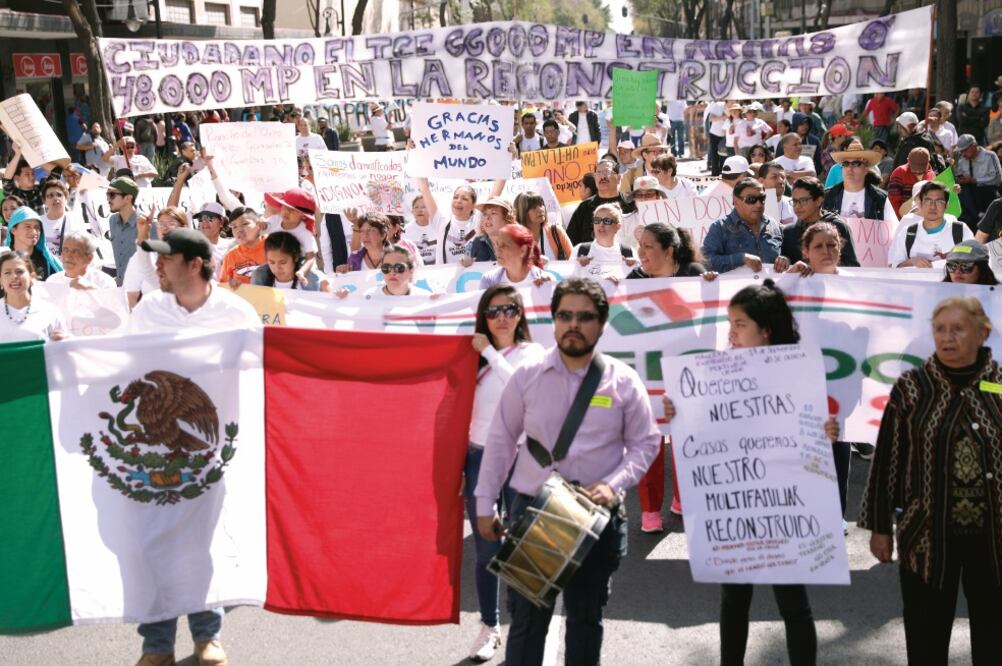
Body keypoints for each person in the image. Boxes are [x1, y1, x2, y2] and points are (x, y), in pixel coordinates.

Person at [476, 277, 661, 665]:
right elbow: (501, 440)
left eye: (584, 317)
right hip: (533, 514)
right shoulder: (527, 376)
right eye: (565, 315)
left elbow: (647, 443)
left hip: (596, 520)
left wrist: (614, 485)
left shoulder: (623, 381)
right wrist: (484, 503)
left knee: (585, 623)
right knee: (526, 627)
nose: (573, 324)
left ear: (602, 323)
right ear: (553, 320)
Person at [662, 279, 840, 666]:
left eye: (740, 323)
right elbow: (702, 430)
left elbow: (814, 437)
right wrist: (679, 414)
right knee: (734, 599)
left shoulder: (799, 373)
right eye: (729, 323)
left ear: (766, 329)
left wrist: (826, 432)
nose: (731, 332)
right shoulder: (715, 372)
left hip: (783, 506)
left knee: (793, 603)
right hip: (736, 508)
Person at [127, 228, 258, 666]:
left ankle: (207, 636)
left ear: (195, 264)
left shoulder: (236, 312)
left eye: (167, 258)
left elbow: (264, 374)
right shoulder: (148, 310)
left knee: (204, 540)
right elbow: (120, 363)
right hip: (156, 452)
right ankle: (156, 644)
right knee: (153, 544)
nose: (158, 266)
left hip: (215, 450)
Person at [858, 296, 1002, 665]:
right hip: (926, 536)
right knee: (925, 636)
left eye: (958, 329)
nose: (947, 338)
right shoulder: (912, 388)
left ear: (983, 333)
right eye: (940, 329)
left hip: (994, 537)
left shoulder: (1000, 385)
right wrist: (879, 527)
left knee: (994, 635)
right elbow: (888, 457)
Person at [464, 284, 546, 661]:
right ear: (483, 315)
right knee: (486, 550)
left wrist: (489, 354)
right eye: (493, 311)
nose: (501, 318)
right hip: (479, 459)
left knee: (520, 547)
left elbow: (520, 387)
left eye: (509, 310)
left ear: (520, 315)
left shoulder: (532, 352)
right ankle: (489, 625)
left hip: (520, 458)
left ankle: (523, 626)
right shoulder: (469, 355)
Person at [702, 178, 784, 273]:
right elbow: (706, 262)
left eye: (762, 198)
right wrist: (741, 259)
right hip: (736, 287)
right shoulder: (720, 228)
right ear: (735, 201)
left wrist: (784, 261)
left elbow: (785, 255)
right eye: (751, 199)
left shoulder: (773, 224)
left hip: (770, 286)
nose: (758, 204)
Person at [888, 181, 973, 268]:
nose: (933, 207)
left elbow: (975, 260)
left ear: (946, 205)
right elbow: (893, 265)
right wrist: (911, 261)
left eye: (939, 202)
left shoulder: (961, 230)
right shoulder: (906, 232)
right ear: (920, 204)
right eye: (928, 201)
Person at [780, 176, 859, 267]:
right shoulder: (789, 232)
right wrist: (784, 261)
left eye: (803, 201)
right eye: (794, 201)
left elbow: (852, 266)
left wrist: (821, 265)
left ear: (818, 201)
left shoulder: (838, 227)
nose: (797, 206)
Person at [824, 140, 898, 225]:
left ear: (866, 169)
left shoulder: (881, 199)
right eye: (845, 163)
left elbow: (892, 230)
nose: (849, 168)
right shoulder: (828, 196)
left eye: (856, 163)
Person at [566, 159, 637, 245]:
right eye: (598, 173)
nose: (602, 177)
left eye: (607, 172)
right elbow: (569, 242)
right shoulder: (584, 207)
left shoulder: (631, 204)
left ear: (618, 178)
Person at [0, 252, 67, 343]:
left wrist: (64, 341)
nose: (14, 277)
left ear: (32, 277)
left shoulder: (50, 312)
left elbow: (64, 349)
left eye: (19, 271)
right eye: (7, 273)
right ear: (1, 280)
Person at [415, 179, 482, 265]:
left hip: (472, 277)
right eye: (455, 197)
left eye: (464, 199)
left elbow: (495, 194)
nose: (458, 201)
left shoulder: (478, 222)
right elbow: (424, 188)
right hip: (443, 277)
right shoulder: (442, 222)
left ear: (474, 205)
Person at [572, 204, 637, 279]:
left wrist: (636, 267)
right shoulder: (580, 250)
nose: (601, 224)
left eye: (607, 221)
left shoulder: (629, 252)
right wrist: (576, 265)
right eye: (597, 220)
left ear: (618, 227)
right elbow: (565, 281)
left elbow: (641, 283)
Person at [251, 231, 330, 291]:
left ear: (295, 257)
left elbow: (333, 301)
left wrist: (340, 294)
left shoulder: (315, 279)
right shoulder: (260, 280)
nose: (277, 267)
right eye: (272, 262)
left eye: (283, 262)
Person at [479, 224, 549, 289]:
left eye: (504, 245)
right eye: (496, 244)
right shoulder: (489, 280)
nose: (497, 250)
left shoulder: (544, 280)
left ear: (522, 250)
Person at [955, 133, 1002, 229]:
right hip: (970, 195)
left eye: (965, 150)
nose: (963, 153)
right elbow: (959, 175)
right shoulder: (962, 159)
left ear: (974, 146)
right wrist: (960, 179)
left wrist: (975, 180)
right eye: (961, 151)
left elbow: (997, 178)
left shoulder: (990, 156)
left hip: (988, 192)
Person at [3, 206, 63, 281]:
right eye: (27, 227)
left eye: (37, 227)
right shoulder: (3, 258)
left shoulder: (48, 261)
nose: (34, 232)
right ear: (13, 230)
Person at [47, 230, 117, 289]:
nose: (68, 256)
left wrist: (91, 290)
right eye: (66, 250)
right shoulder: (52, 281)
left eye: (75, 251)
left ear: (89, 258)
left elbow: (113, 304)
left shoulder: (104, 282)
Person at [263, 188, 318, 260]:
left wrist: (302, 271)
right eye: (284, 206)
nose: (286, 212)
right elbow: (257, 233)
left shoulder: (306, 234)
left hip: (299, 265)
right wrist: (260, 226)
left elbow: (310, 259)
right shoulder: (275, 220)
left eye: (292, 210)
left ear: (304, 216)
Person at [514, 193, 572, 261]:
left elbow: (573, 258)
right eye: (533, 207)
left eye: (541, 204)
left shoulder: (556, 231)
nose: (540, 209)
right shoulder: (514, 237)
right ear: (522, 212)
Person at [219, 208, 266, 285]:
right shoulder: (230, 256)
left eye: (244, 224)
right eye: (234, 227)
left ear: (258, 224)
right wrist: (231, 284)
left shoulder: (274, 246)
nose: (239, 230)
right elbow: (223, 287)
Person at [39, 180, 82, 257]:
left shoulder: (75, 220)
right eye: (50, 195)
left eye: (59, 195)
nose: (55, 198)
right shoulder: (38, 222)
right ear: (44, 201)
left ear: (66, 198)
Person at [887, 147, 935, 215]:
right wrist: (899, 221)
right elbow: (893, 201)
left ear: (928, 162)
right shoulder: (899, 172)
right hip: (902, 218)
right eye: (915, 167)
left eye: (921, 167)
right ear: (908, 161)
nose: (918, 171)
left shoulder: (932, 175)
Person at [467, 197, 514, 263]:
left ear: (507, 219)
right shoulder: (477, 242)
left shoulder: (517, 243)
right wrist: (465, 263)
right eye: (485, 214)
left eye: (493, 213)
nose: (488, 218)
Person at [401, 194, 439, 265]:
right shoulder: (405, 230)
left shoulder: (439, 227)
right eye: (416, 207)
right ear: (412, 211)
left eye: (424, 207)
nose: (420, 210)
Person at [757, 161, 795, 225]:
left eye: (783, 177)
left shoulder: (794, 204)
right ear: (761, 181)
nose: (781, 181)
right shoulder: (753, 205)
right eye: (774, 177)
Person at [705, 98, 729, 176]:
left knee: (725, 156)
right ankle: (715, 175)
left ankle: (725, 175)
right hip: (715, 133)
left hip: (728, 135)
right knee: (715, 156)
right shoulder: (718, 105)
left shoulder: (737, 107)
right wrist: (724, 117)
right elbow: (711, 118)